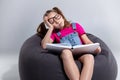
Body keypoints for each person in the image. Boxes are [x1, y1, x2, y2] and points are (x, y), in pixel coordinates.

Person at [37, 7, 101, 80]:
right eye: (52, 21)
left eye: (57, 17)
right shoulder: (54, 33)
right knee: (66, 52)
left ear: (61, 15)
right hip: (68, 55)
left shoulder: (75, 26)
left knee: (89, 57)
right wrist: (51, 28)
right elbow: (44, 45)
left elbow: (87, 41)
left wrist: (95, 47)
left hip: (81, 53)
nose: (57, 22)